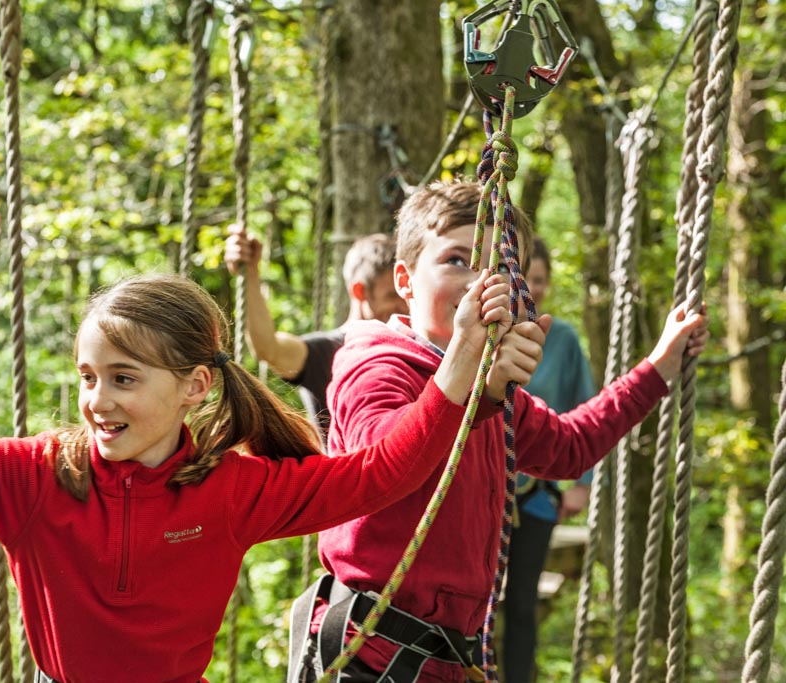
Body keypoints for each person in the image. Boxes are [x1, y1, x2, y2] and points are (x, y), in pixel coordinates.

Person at [0, 270, 514, 683]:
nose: (97, 400)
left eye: (123, 378)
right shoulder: (35, 480)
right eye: (89, 377)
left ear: (192, 387)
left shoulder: (232, 491)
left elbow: (381, 473)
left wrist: (456, 371)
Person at [290, 180, 710, 683]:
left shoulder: (488, 389)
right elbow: (384, 462)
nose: (480, 283)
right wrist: (477, 379)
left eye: (502, 268)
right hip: (369, 653)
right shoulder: (375, 364)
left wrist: (658, 367)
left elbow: (569, 449)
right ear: (404, 280)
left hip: (442, 658)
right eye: (456, 261)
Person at [502, 237, 596, 683]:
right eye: (525, 279)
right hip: (485, 488)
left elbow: (586, 407)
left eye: (539, 280)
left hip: (537, 493)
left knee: (523, 603)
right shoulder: (488, 333)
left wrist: (584, 483)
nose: (532, 288)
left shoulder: (564, 341)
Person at [224, 227, 407, 445]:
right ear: (360, 291)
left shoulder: (412, 349)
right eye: (392, 295)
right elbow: (267, 347)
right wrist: (251, 273)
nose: (404, 304)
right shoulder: (326, 350)